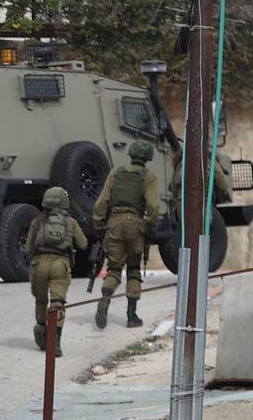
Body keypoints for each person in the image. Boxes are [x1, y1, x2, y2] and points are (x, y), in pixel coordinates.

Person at [92, 139, 159, 329]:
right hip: (135, 225)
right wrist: (151, 226)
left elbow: (101, 203)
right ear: (147, 158)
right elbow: (153, 206)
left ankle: (105, 298)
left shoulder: (115, 173)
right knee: (133, 269)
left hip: (113, 224)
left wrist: (99, 226)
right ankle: (131, 316)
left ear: (130, 154)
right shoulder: (148, 177)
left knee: (113, 268)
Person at [26, 187, 88, 357]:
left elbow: (28, 247)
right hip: (60, 264)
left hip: (39, 264)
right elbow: (83, 244)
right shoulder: (70, 222)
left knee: (40, 300)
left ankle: (41, 333)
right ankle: (56, 342)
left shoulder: (37, 221)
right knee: (57, 303)